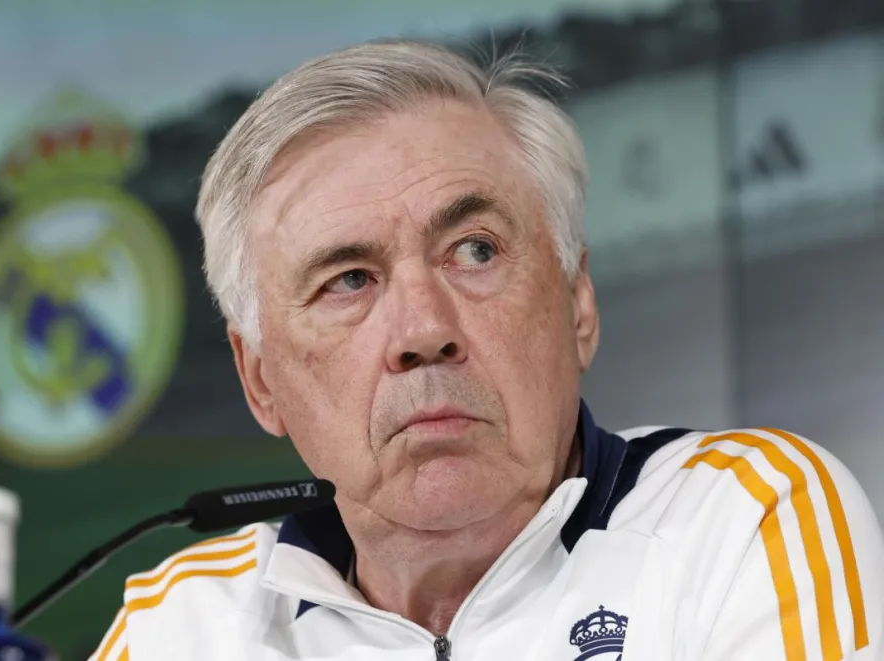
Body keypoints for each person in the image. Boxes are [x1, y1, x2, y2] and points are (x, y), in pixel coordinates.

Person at [89, 40, 883, 661]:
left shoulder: (741, 514)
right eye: (349, 279)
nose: (422, 329)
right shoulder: (183, 621)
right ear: (260, 380)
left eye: (474, 250)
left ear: (577, 302)